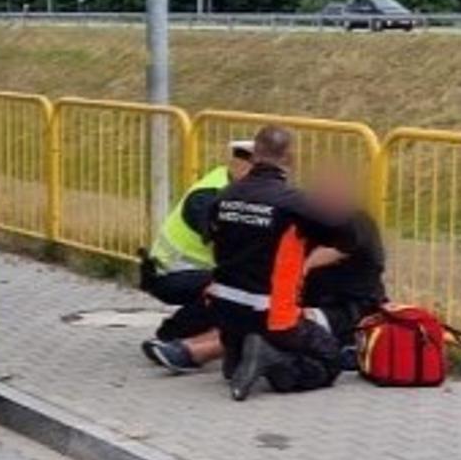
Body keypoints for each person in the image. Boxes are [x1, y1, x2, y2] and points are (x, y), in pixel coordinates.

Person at [207, 126, 361, 401]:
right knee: (329, 361)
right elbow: (347, 237)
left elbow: (208, 234)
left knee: (235, 369)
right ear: (289, 158)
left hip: (225, 313)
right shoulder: (294, 204)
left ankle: (245, 357)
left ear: (255, 155)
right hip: (273, 316)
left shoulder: (223, 196)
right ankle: (270, 357)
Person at [138, 141, 253, 374]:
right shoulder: (209, 196)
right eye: (257, 170)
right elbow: (227, 242)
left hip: (193, 272)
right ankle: (174, 334)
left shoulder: (237, 190)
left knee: (238, 284)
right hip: (170, 273)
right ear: (238, 165)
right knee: (231, 287)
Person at [301, 172, 389, 361]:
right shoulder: (314, 224)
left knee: (283, 325)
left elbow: (334, 251)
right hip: (317, 307)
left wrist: (303, 266)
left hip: (351, 313)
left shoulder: (358, 222)